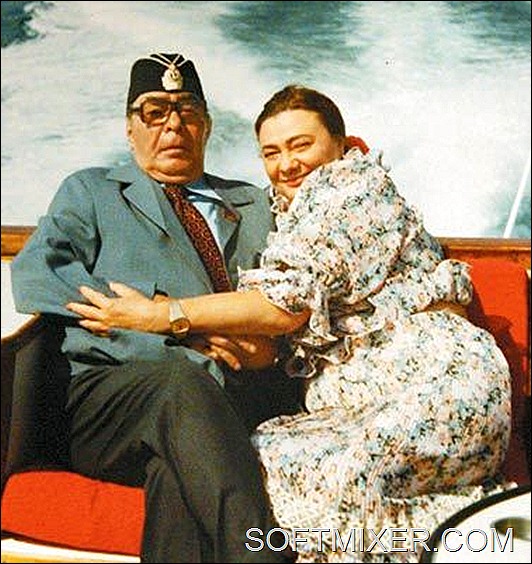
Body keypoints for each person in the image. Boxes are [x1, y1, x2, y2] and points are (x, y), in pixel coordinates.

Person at [66, 85, 513, 562]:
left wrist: (162, 314)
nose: (287, 164)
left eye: (301, 145)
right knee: (241, 458)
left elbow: (286, 307)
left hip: (436, 379)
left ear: (341, 144)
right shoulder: (280, 211)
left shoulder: (351, 190)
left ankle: (492, 537)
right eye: (271, 153)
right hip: (355, 403)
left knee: (339, 475)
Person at [10, 52, 303, 563]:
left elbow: (300, 291)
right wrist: (170, 324)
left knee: (176, 473)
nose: (173, 125)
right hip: (115, 402)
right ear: (130, 130)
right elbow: (38, 274)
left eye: (187, 111)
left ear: (206, 126)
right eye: (154, 112)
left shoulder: (258, 205)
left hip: (228, 401)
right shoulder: (92, 192)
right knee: (180, 383)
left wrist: (269, 349)